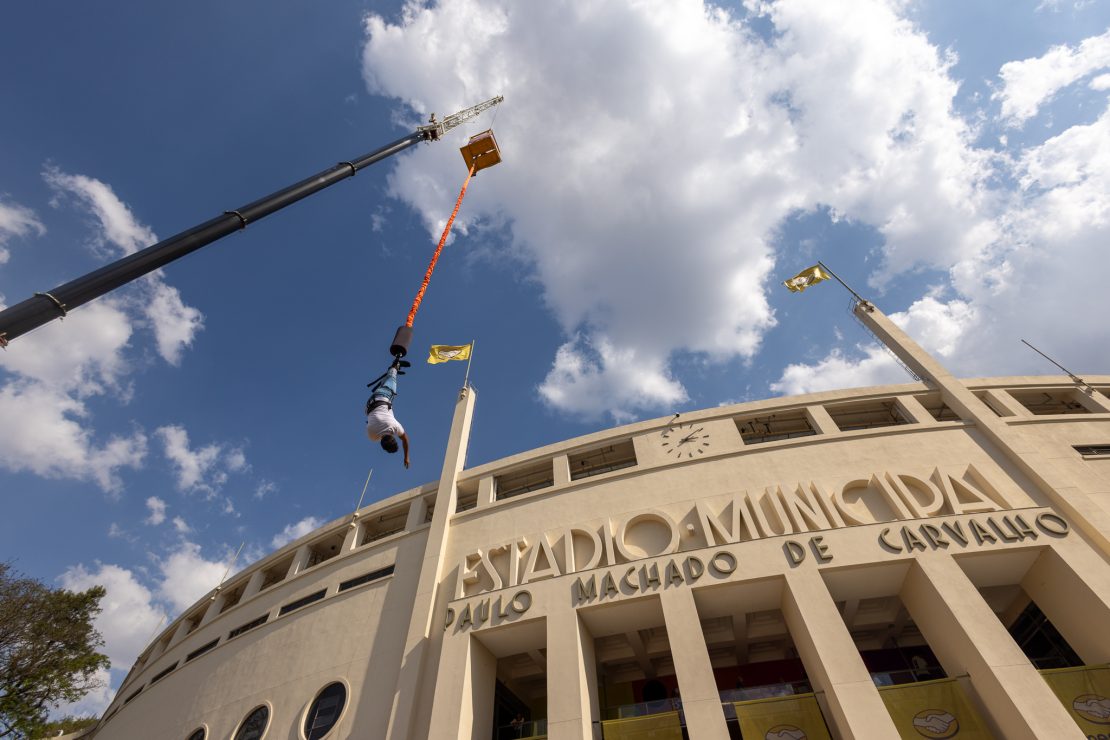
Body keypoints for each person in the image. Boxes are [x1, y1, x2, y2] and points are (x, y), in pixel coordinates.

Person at [366, 359, 411, 468]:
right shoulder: (372, 436)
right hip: (369, 404)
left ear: (393, 437)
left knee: (392, 378)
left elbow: (405, 439)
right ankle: (393, 370)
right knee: (385, 383)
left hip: (384, 396)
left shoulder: (393, 426)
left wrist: (406, 457)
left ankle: (396, 365)